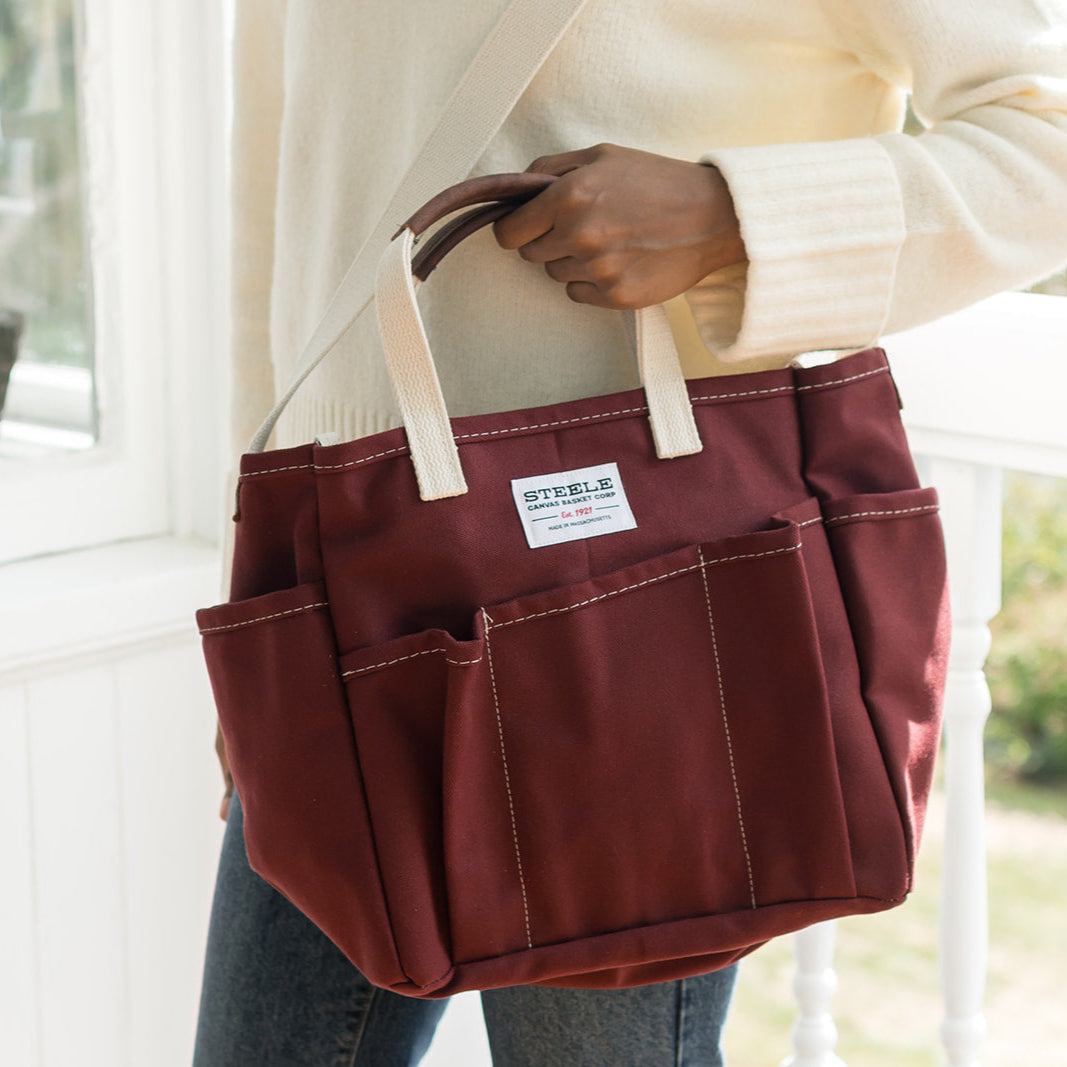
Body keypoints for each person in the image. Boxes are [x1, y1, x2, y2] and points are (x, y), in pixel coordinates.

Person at [195, 1, 1067, 1063]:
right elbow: (270, 200)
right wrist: (257, 585)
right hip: (338, 594)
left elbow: (1046, 135)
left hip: (639, 604)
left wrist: (725, 216)